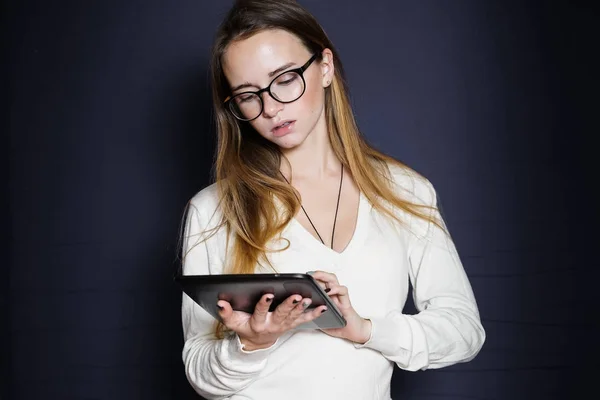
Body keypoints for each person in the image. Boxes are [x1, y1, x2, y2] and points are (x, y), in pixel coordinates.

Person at [178, 0, 485, 399]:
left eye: (285, 78)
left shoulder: (404, 190)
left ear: (324, 67)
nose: (270, 108)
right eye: (248, 95)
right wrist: (251, 343)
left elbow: (463, 332)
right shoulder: (214, 209)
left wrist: (364, 329)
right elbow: (200, 372)